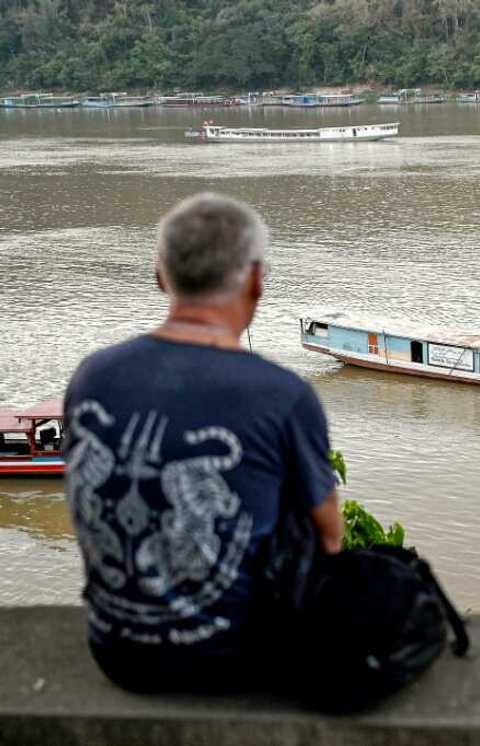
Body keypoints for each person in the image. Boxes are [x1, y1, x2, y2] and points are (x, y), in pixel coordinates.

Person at [64, 193, 343, 693]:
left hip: (116, 654)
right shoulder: (283, 394)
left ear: (159, 276)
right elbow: (330, 538)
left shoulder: (92, 376)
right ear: (257, 280)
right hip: (236, 662)